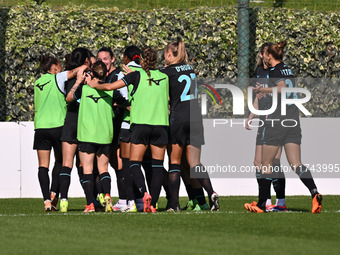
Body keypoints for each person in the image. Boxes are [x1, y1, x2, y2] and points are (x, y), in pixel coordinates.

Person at [86, 47, 169, 213]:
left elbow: (110, 87)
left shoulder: (135, 75)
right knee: (158, 166)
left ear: (142, 61)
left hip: (140, 125)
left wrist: (95, 84)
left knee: (133, 163)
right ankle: (153, 204)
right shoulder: (164, 76)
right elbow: (167, 98)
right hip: (161, 126)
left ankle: (143, 194)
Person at [244, 40, 322, 213]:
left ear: (269, 56)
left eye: (264, 53)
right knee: (296, 164)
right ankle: (314, 192)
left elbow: (281, 89)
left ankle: (262, 204)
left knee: (266, 164)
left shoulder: (274, 70)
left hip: (277, 121)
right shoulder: (287, 69)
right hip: (293, 121)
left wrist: (263, 91)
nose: (262, 55)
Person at [160, 39, 220, 211]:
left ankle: (174, 204)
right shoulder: (190, 69)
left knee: (174, 163)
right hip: (195, 118)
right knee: (194, 163)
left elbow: (168, 95)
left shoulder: (166, 72)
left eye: (165, 53)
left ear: (170, 54)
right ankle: (210, 193)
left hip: (178, 118)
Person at [34, 54, 86, 212]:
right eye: (59, 65)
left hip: (40, 128)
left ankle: (46, 201)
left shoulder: (37, 82)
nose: (62, 68)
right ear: (54, 67)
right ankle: (54, 192)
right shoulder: (57, 77)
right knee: (60, 161)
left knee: (43, 166)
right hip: (58, 126)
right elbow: (78, 70)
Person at [245, 42, 286, 212]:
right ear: (262, 55)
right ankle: (266, 200)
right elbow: (259, 95)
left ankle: (281, 201)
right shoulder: (259, 72)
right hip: (263, 120)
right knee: (258, 162)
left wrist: (273, 113)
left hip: (275, 120)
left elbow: (280, 93)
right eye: (264, 53)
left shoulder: (275, 71)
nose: (266, 56)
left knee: (274, 161)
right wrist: (251, 116)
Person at [78, 61, 115, 213]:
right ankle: (107, 196)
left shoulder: (83, 90)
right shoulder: (111, 91)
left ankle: (90, 204)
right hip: (105, 134)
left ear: (92, 74)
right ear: (106, 74)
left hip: (87, 134)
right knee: (103, 168)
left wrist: (80, 80)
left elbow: (69, 97)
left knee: (87, 169)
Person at [59, 47, 92, 213]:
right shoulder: (90, 76)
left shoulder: (66, 76)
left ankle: (63, 200)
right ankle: (90, 201)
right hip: (84, 122)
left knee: (66, 164)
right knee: (85, 166)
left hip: (70, 121)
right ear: (86, 60)